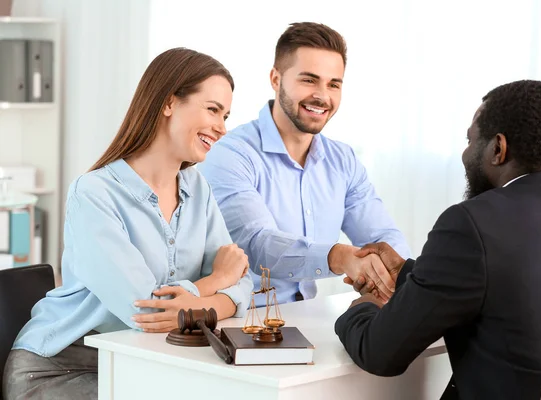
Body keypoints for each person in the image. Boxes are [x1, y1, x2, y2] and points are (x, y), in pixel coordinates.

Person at [2, 48, 253, 400]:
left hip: (145, 360)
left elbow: (245, 284)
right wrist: (216, 282)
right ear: (169, 103)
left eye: (225, 115)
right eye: (212, 109)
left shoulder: (198, 188)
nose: (222, 128)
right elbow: (146, 310)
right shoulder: (93, 194)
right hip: (62, 368)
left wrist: (198, 303)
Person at [335, 79, 541, 400]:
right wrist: (407, 272)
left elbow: (380, 352)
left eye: (470, 140)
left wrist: (360, 308)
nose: (465, 153)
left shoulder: (472, 223)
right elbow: (513, 284)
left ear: (498, 149)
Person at [199, 22, 411, 306]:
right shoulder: (230, 153)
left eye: (333, 84)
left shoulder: (343, 161)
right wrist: (339, 258)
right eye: (309, 80)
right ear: (276, 79)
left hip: (309, 315)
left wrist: (390, 271)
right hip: (239, 321)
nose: (323, 96)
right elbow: (259, 244)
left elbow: (383, 236)